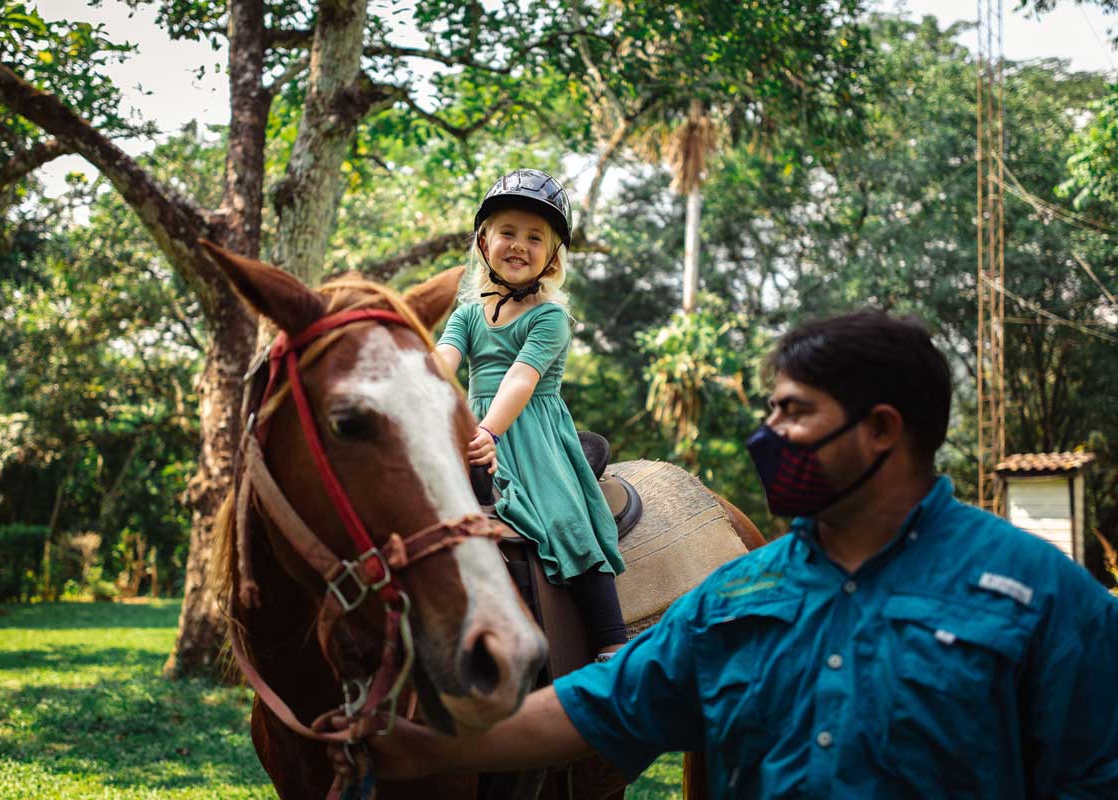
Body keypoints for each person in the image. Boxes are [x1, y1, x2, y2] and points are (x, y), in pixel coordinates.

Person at [357, 311, 1118, 797]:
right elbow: (598, 706)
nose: (768, 434)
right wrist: (413, 751)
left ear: (883, 430)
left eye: (794, 412)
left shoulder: (1042, 596)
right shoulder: (739, 595)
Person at [436, 168, 627, 660]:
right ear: (483, 240)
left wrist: (487, 431)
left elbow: (521, 380)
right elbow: (442, 366)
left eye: (534, 238)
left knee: (565, 520)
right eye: (507, 232)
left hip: (530, 431)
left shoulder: (549, 316)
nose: (518, 245)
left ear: (552, 256)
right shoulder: (467, 314)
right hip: (476, 429)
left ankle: (610, 637)